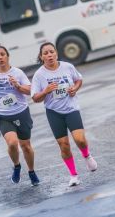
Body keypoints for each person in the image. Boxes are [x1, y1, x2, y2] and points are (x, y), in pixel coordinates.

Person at [31, 42, 97, 187]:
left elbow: (78, 79)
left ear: (56, 53)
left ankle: (86, 155)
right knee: (64, 145)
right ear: (41, 57)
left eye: (51, 52)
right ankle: (74, 175)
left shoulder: (67, 66)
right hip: (54, 112)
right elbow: (35, 98)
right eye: (45, 53)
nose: (49, 55)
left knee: (79, 139)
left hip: (71, 108)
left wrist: (75, 88)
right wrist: (45, 91)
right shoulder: (39, 75)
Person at [0, 45, 40, 186]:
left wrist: (18, 86)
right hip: (3, 116)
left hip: (21, 113)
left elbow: (30, 90)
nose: (0, 57)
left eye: (2, 54)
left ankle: (31, 171)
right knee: (12, 143)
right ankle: (17, 166)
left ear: (7, 56)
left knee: (26, 146)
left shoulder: (17, 73)